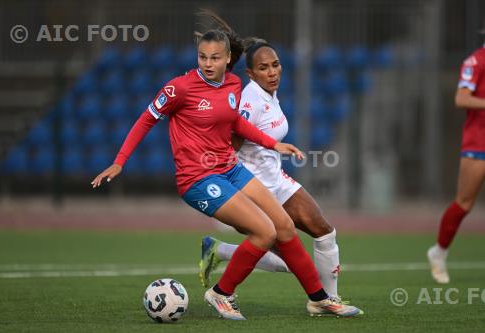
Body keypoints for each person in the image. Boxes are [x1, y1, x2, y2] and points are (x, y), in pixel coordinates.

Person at [91, 11, 362, 319]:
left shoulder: (233, 85)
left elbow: (238, 124)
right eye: (202, 57)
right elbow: (146, 119)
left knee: (284, 227)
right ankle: (221, 294)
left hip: (230, 170)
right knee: (264, 232)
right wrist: (119, 161)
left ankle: (320, 299)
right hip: (198, 178)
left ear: (227, 59)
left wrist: (273, 143)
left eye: (215, 58)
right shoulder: (179, 88)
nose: (207, 63)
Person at [198, 37, 350, 306]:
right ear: (251, 74)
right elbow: (229, 146)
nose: (272, 72)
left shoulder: (270, 93)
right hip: (253, 188)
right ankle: (219, 251)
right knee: (292, 262)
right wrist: (226, 192)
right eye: (264, 68)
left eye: (276, 65)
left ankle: (330, 300)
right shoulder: (249, 101)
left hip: (277, 181)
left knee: (324, 231)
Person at [427, 30, 485, 284]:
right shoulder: (476, 61)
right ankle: (438, 253)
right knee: (464, 202)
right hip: (478, 141)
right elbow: (461, 98)